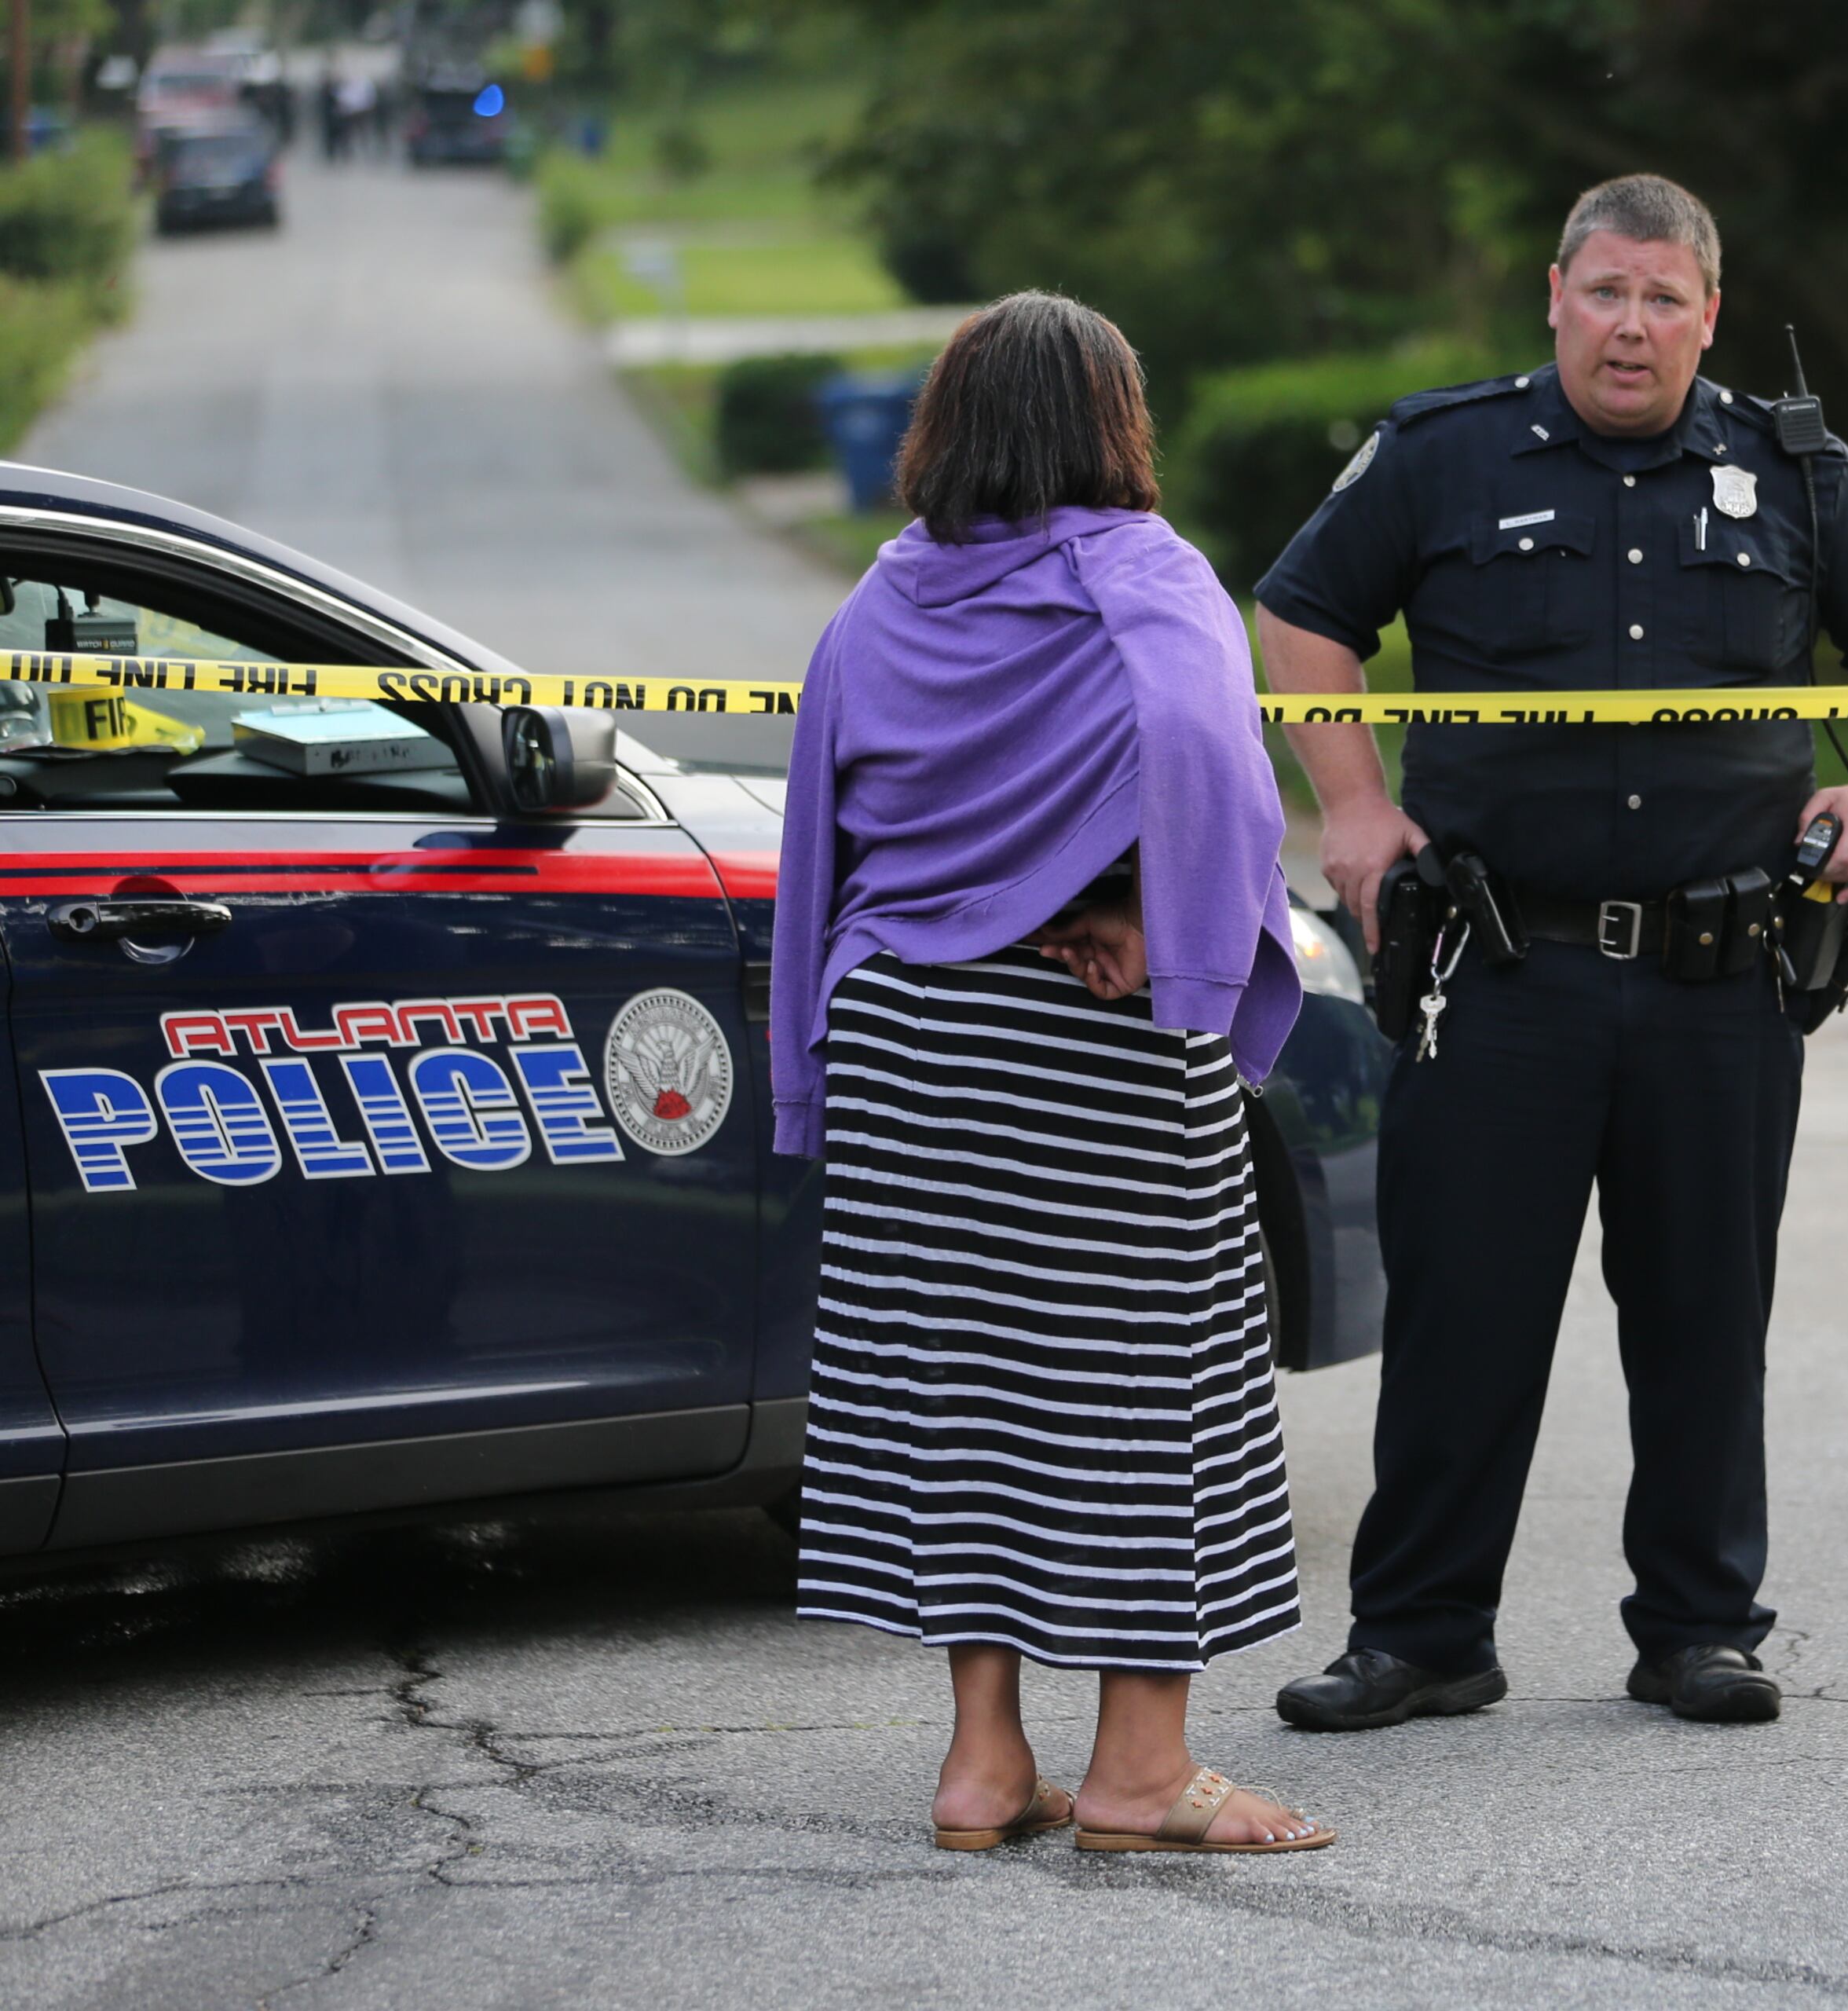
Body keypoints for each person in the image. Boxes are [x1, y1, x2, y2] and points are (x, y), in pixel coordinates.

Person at [1257, 174, 1848, 1732]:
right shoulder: (1445, 453)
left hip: (1722, 977)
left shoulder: (1794, 464)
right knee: (1463, 1311)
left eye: (1664, 298)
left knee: (1707, 1309)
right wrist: (1355, 801)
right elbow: (1302, 614)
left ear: (1710, 315)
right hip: (1498, 972)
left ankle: (1700, 1628)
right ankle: (1424, 1632)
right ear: (1555, 296)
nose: (1630, 325)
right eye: (1606, 292)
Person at [771, 292, 1334, 1855]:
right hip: (1072, 1038)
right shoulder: (1139, 577)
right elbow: (1208, 752)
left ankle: (983, 1763)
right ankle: (1144, 1773)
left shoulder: (879, 601)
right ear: (1114, 423)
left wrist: (816, 1051)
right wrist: (1177, 932)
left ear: (946, 425)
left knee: (965, 1394)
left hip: (902, 1038)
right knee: (1151, 1387)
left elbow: (829, 815)